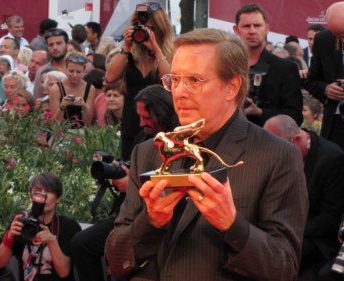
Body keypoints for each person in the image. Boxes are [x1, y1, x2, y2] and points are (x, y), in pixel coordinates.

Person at [105, 28, 308, 281]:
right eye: (175, 80)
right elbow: (113, 262)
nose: (179, 92)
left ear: (232, 86)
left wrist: (232, 225)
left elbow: (284, 268)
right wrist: (150, 222)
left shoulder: (276, 156)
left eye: (194, 80)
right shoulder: (148, 153)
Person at [71, 84, 179, 281]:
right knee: (82, 243)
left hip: (155, 219)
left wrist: (131, 184)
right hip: (128, 213)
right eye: (139, 116)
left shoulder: (177, 142)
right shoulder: (144, 138)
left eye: (146, 118)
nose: (141, 123)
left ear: (161, 114)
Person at [264, 114, 344, 281]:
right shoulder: (280, 154)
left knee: (274, 260)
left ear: (297, 139)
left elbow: (329, 219)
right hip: (282, 225)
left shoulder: (331, 159)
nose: (274, 155)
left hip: (314, 235)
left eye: (279, 148)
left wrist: (292, 230)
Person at [105, 2, 174, 160]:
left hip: (161, 124)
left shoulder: (170, 54)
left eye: (151, 29)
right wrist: (126, 47)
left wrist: (156, 49)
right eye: (140, 27)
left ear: (160, 29)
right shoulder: (129, 55)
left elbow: (170, 82)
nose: (145, 33)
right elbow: (110, 77)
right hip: (132, 122)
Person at [0, 172, 82, 281]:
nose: (42, 196)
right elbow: (0, 263)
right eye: (37, 191)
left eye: (48, 191)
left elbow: (64, 272)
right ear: (31, 196)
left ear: (58, 198)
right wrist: (10, 236)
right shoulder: (22, 222)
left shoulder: (68, 226)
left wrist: (51, 240)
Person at [233, 3, 303, 127]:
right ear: (236, 30)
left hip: (269, 141)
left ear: (267, 28)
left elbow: (295, 116)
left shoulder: (286, 69)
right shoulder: (227, 66)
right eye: (246, 26)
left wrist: (260, 112)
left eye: (257, 25)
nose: (252, 31)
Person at [304, 2, 344, 151]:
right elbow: (310, 81)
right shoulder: (324, 40)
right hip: (335, 125)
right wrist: (326, 89)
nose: (342, 40)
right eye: (337, 35)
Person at [49, 51, 95, 128]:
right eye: (71, 71)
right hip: (62, 133)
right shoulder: (56, 88)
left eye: (78, 72)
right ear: (65, 68)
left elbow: (88, 123)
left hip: (81, 134)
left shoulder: (90, 89)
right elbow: (54, 124)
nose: (74, 75)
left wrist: (84, 106)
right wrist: (62, 107)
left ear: (84, 70)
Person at [33, 28, 69, 98]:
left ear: (67, 44)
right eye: (51, 45)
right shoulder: (41, 72)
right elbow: (38, 101)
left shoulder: (77, 69)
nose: (55, 47)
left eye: (59, 43)